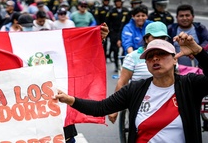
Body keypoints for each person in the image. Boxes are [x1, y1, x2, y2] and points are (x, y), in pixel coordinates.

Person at [55, 34, 208, 143]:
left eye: (161, 54)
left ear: (175, 59)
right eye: (150, 56)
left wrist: (199, 52)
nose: (155, 58)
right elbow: (100, 108)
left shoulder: (190, 85)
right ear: (146, 64)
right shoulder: (136, 89)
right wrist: (70, 100)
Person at [108, 21, 170, 123]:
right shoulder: (133, 57)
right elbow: (122, 82)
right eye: (155, 38)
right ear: (146, 39)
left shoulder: (170, 56)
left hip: (164, 100)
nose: (159, 42)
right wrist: (114, 109)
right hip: (140, 101)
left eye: (162, 38)